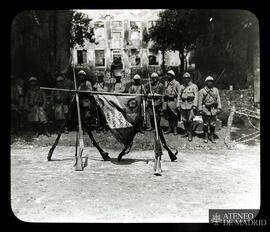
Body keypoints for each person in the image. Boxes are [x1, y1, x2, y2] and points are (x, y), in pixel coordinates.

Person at [198, 76, 222, 143]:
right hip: (205, 108)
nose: (210, 83)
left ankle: (211, 136)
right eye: (208, 81)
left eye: (211, 81)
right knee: (205, 123)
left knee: (213, 123)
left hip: (213, 109)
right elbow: (199, 101)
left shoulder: (215, 90)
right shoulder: (202, 91)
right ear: (206, 82)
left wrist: (219, 108)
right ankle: (206, 136)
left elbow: (218, 99)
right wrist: (200, 110)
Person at [177, 72, 198, 142]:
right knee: (184, 120)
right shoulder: (181, 86)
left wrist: (194, 105)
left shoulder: (194, 86)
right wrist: (178, 105)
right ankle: (186, 132)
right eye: (184, 78)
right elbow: (179, 96)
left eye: (187, 78)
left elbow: (196, 97)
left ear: (190, 78)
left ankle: (190, 134)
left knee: (190, 120)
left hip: (190, 104)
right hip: (183, 104)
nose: (186, 79)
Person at [163, 70, 181, 135]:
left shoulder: (176, 83)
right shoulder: (166, 83)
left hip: (174, 101)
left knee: (175, 116)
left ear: (173, 76)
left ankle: (175, 129)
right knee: (169, 116)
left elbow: (179, 93)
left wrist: (172, 96)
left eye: (170, 75)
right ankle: (170, 128)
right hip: (167, 102)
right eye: (168, 75)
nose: (168, 76)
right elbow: (165, 91)